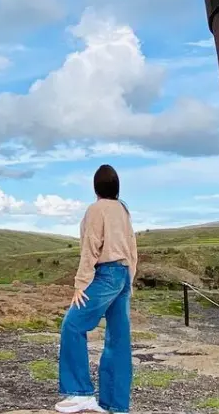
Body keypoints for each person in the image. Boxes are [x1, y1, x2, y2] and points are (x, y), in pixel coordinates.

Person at [55, 164, 138, 414]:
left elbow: (91, 246)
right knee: (118, 338)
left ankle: (81, 393)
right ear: (116, 187)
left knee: (72, 324)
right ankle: (115, 404)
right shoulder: (123, 209)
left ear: (96, 188)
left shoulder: (96, 209)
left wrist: (81, 284)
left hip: (106, 274)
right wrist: (129, 280)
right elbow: (132, 246)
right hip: (123, 274)